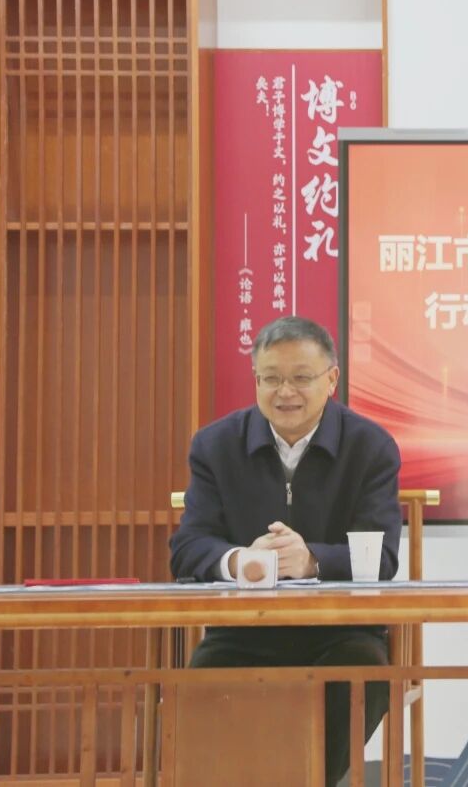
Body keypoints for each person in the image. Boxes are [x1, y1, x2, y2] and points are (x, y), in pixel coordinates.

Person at [169, 315, 401, 786]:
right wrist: (240, 561)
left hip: (341, 633)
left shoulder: (370, 446)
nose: (285, 392)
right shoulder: (215, 445)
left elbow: (381, 559)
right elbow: (188, 547)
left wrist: (311, 560)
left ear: (331, 379)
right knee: (200, 686)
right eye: (271, 379)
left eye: (301, 378)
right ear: (255, 379)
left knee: (363, 677)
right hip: (242, 634)